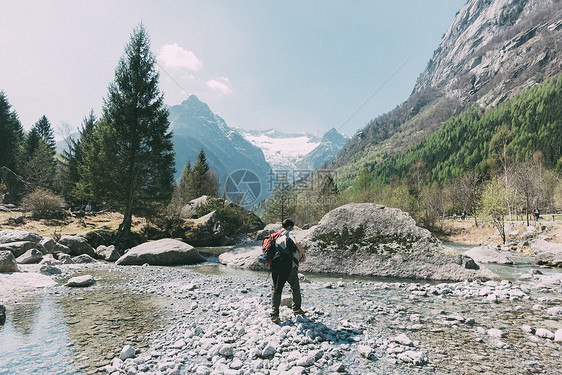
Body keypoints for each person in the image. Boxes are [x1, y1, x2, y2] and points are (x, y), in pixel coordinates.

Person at [270, 218, 306, 323]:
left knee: (276, 290)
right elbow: (295, 242)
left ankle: (274, 316)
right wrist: (302, 253)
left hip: (276, 265)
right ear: (289, 226)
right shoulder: (289, 233)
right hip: (288, 265)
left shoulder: (276, 234)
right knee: (295, 287)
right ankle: (296, 309)